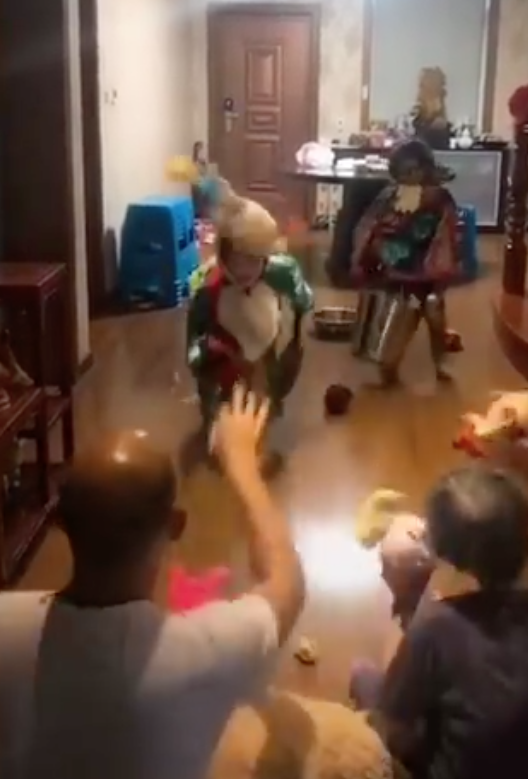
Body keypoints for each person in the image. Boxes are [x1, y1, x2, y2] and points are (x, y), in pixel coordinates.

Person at [0, 386, 305, 779]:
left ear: (60, 522)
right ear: (176, 525)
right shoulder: (205, 653)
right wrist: (242, 464)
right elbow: (287, 582)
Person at [377, 438, 528, 779]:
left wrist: (405, 599)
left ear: (447, 558)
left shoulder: (437, 630)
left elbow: (392, 732)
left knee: (364, 678)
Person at [187, 178, 313, 468]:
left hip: (267, 351)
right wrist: (208, 353)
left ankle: (255, 445)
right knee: (224, 413)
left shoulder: (281, 273)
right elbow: (193, 344)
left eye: (255, 260)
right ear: (224, 252)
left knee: (264, 401)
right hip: (224, 360)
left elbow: (303, 302)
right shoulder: (207, 289)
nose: (247, 269)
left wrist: (294, 340)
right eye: (239, 259)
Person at [351, 139, 462, 385]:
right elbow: (368, 226)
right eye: (403, 172)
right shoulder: (388, 197)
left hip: (429, 273)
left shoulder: (439, 198)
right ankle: (388, 366)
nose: (409, 176)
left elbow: (450, 231)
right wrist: (367, 255)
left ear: (425, 169)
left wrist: (443, 265)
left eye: (414, 170)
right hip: (397, 275)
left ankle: (441, 363)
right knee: (396, 324)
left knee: (435, 315)